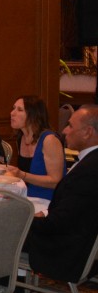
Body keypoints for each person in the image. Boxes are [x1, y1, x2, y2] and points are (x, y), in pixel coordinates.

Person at [24, 105, 98, 282]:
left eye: (70, 126)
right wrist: (45, 213)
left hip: (64, 250)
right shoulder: (90, 163)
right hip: (77, 238)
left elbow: (59, 223)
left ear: (88, 132)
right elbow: (75, 209)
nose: (64, 131)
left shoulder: (88, 171)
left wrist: (25, 219)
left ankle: (1, 288)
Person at [6, 95, 65, 200]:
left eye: (20, 110)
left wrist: (22, 175)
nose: (12, 113)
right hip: (27, 197)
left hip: (48, 200)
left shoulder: (49, 140)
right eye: (13, 108)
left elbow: (56, 181)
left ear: (34, 115)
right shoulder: (21, 138)